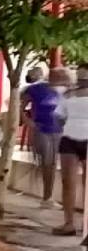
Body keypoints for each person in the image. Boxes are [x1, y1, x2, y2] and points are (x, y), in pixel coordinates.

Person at [54, 66, 88, 236]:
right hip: (69, 139)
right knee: (68, 182)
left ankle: (86, 225)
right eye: (80, 75)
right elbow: (59, 116)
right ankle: (69, 223)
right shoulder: (67, 94)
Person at [23, 66, 64, 204]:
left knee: (51, 164)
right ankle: (47, 196)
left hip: (58, 130)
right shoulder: (33, 89)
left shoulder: (61, 90)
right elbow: (19, 106)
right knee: (47, 162)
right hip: (42, 129)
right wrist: (28, 122)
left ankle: (48, 196)